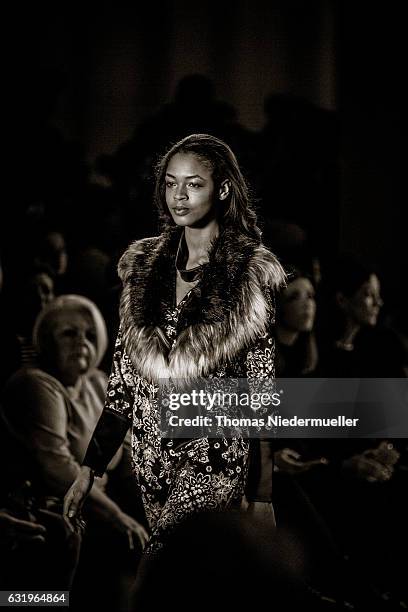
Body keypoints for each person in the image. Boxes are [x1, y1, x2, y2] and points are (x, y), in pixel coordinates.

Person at [64, 133, 286, 566]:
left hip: (214, 450)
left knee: (160, 566)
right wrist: (87, 470)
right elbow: (123, 387)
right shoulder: (143, 268)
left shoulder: (247, 277)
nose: (178, 196)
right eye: (170, 183)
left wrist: (261, 495)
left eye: (194, 183)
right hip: (150, 456)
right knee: (190, 581)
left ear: (222, 189)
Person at [1, 294, 148, 594]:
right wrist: (118, 517)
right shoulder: (36, 383)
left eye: (90, 335)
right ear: (45, 340)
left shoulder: (97, 382)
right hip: (55, 509)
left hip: (96, 506)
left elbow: (127, 450)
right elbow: (57, 467)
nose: (82, 341)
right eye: (69, 333)